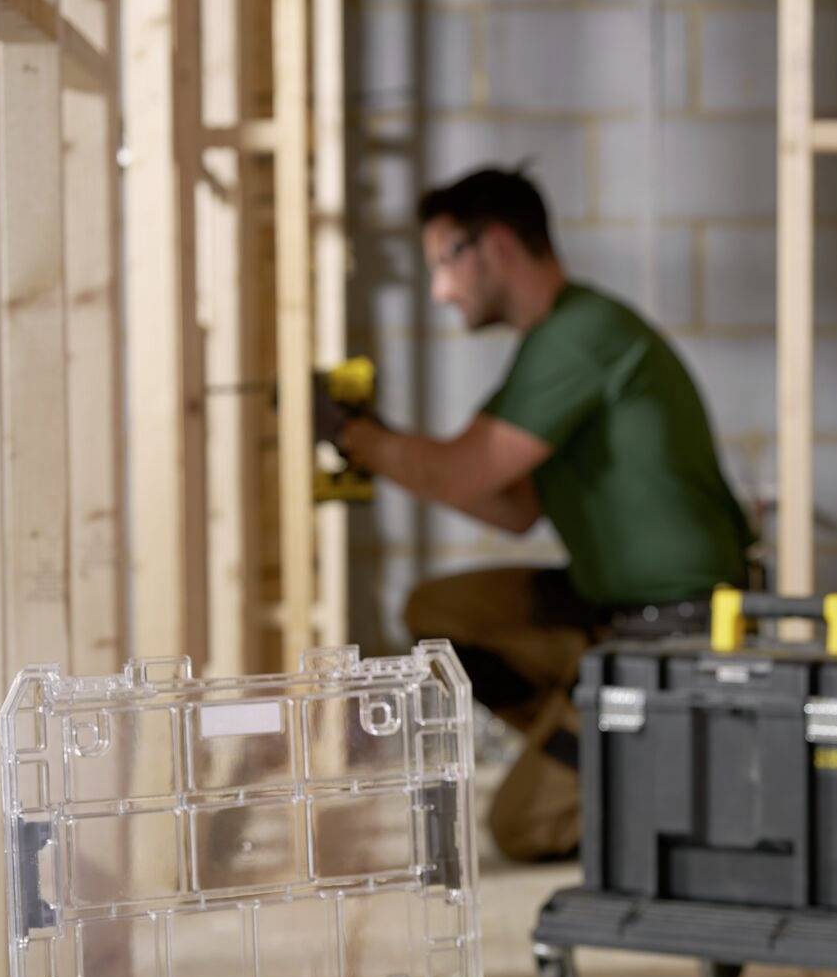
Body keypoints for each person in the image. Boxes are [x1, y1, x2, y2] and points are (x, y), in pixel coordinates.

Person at [320, 166, 753, 862]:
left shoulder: (578, 338)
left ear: (493, 247)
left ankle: (664, 770)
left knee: (519, 829)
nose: (439, 290)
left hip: (674, 637)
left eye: (443, 263)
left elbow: (461, 469)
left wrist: (353, 436)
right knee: (440, 609)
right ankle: (594, 740)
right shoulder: (557, 342)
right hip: (606, 613)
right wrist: (376, 442)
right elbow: (512, 505)